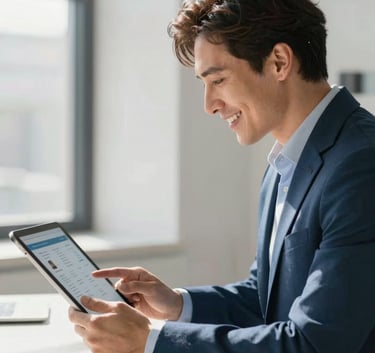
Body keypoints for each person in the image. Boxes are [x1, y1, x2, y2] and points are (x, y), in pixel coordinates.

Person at [69, 0, 375, 352]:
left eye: (218, 80)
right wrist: (178, 304)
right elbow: (266, 298)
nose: (210, 104)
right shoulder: (287, 161)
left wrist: (151, 341)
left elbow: (314, 343)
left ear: (279, 62)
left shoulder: (361, 165)